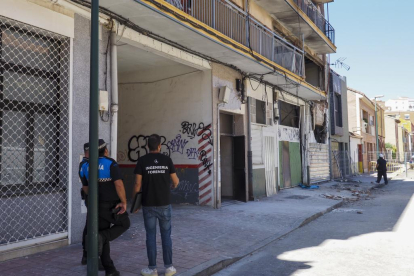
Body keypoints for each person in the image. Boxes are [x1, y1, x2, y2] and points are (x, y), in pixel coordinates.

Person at [79, 139, 130, 276]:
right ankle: (101, 237)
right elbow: (118, 185)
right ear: (105, 150)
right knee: (124, 223)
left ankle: (110, 269)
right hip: (110, 205)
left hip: (94, 205)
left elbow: (86, 188)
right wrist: (124, 202)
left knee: (103, 234)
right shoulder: (110, 163)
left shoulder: (84, 165)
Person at [133, 134, 180, 276]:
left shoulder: (142, 161)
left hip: (148, 204)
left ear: (148, 146)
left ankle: (152, 269)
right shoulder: (167, 160)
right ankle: (169, 268)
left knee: (150, 236)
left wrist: (135, 202)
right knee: (166, 235)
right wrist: (171, 186)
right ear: (159, 146)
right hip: (164, 204)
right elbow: (176, 181)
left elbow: (137, 184)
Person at [79, 143, 105, 270]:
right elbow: (86, 187)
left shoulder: (88, 163)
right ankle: (92, 255)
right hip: (92, 200)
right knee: (93, 226)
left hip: (93, 199)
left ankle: (86, 254)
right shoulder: (85, 164)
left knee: (90, 225)